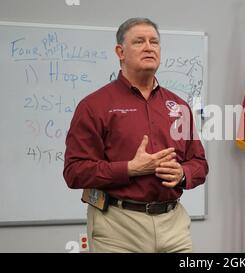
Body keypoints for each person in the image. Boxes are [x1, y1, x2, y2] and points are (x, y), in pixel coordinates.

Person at [63, 17, 208, 253]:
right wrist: (130, 168)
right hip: (118, 225)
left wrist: (183, 173)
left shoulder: (179, 105)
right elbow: (74, 172)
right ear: (120, 51)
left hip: (174, 224)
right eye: (139, 41)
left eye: (154, 42)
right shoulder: (94, 106)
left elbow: (199, 164)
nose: (149, 47)